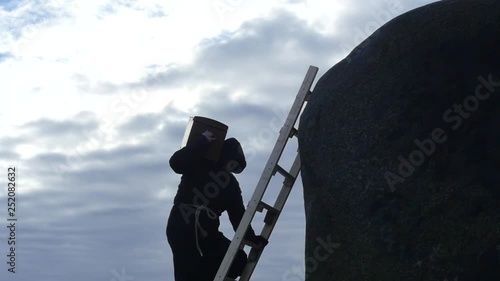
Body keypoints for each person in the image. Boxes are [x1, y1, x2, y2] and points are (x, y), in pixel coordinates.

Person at [166, 130, 268, 281]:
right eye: (232, 163)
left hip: (208, 232)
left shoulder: (231, 183)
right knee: (189, 272)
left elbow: (238, 215)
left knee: (237, 259)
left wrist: (251, 238)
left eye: (235, 167)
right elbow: (176, 163)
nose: (231, 168)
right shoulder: (199, 162)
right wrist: (202, 142)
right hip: (183, 225)